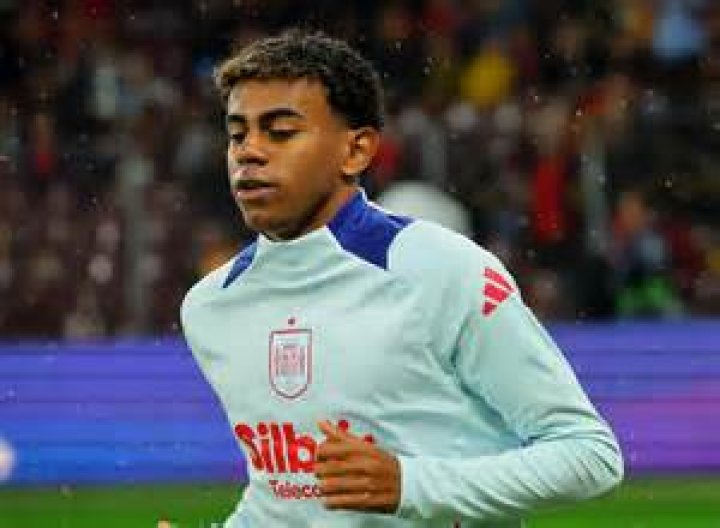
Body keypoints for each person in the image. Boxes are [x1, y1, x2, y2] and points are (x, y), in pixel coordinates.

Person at [180, 30, 623, 528]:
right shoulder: (210, 307)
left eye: (280, 131)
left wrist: (411, 486)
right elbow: (285, 495)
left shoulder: (442, 269)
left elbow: (588, 454)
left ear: (356, 151)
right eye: (237, 134)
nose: (249, 152)